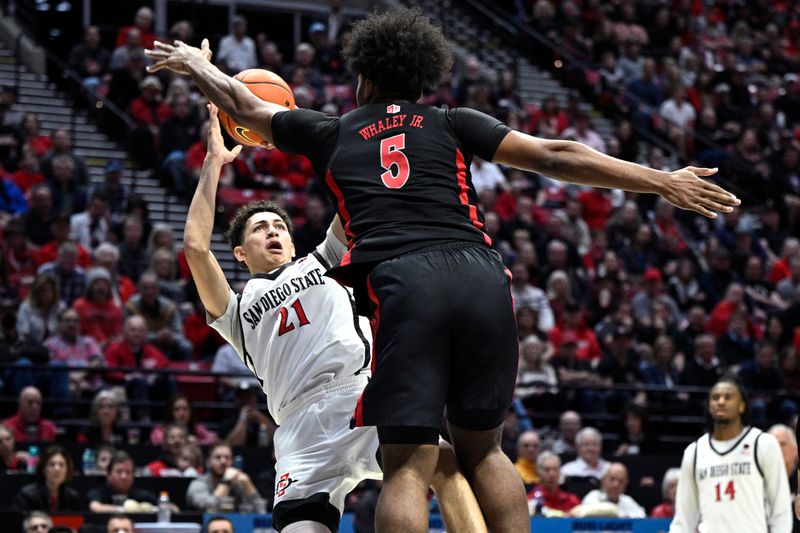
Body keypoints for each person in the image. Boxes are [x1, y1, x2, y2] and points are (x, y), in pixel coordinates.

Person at [147, 9, 739, 529]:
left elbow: (244, 105)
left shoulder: (334, 130)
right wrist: (661, 180)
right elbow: (559, 155)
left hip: (407, 282)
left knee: (407, 462)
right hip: (482, 274)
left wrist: (196, 65)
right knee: (485, 452)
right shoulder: (454, 120)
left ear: (365, 79)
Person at [177, 103, 485, 533]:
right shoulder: (234, 308)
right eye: (259, 228)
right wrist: (213, 161)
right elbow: (194, 246)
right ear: (241, 253)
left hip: (357, 399)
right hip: (299, 433)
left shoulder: (325, 259)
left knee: (442, 462)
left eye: (278, 226)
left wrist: (338, 125)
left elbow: (357, 195)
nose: (272, 231)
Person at [669, 376, 792, 532]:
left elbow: (781, 510)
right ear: (709, 406)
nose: (720, 402)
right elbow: (683, 520)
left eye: (728, 397)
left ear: (742, 406)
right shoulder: (694, 452)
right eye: (715, 398)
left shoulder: (763, 444)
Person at [185, 442, 260, 512]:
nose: (223, 461)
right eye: (218, 457)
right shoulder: (198, 483)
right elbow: (209, 508)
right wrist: (226, 481)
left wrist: (247, 483)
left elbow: (259, 509)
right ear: (208, 462)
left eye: (227, 458)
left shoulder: (238, 483)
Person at [13, 445, 83, 512]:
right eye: (52, 464)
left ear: (67, 469)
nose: (57, 469)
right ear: (43, 469)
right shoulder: (27, 495)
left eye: (61, 465)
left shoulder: (73, 497)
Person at [88, 450, 157, 513]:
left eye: (128, 472)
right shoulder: (98, 493)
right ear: (109, 474)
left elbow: (162, 508)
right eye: (119, 472)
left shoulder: (144, 495)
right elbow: (96, 507)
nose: (124, 476)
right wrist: (125, 509)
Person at [580, 462, 645, 518]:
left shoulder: (627, 500)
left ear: (626, 484)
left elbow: (642, 517)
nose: (616, 485)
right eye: (612, 479)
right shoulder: (592, 496)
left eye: (621, 481)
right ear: (604, 480)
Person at [150, 395, 218, 446]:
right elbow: (158, 443)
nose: (181, 413)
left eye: (185, 409)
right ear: (170, 412)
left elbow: (214, 439)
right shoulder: (160, 430)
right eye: (177, 409)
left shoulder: (197, 428)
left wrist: (198, 442)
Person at [527, 451, 580, 516]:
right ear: (538, 473)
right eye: (547, 470)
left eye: (555, 469)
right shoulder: (531, 501)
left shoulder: (572, 500)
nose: (552, 474)